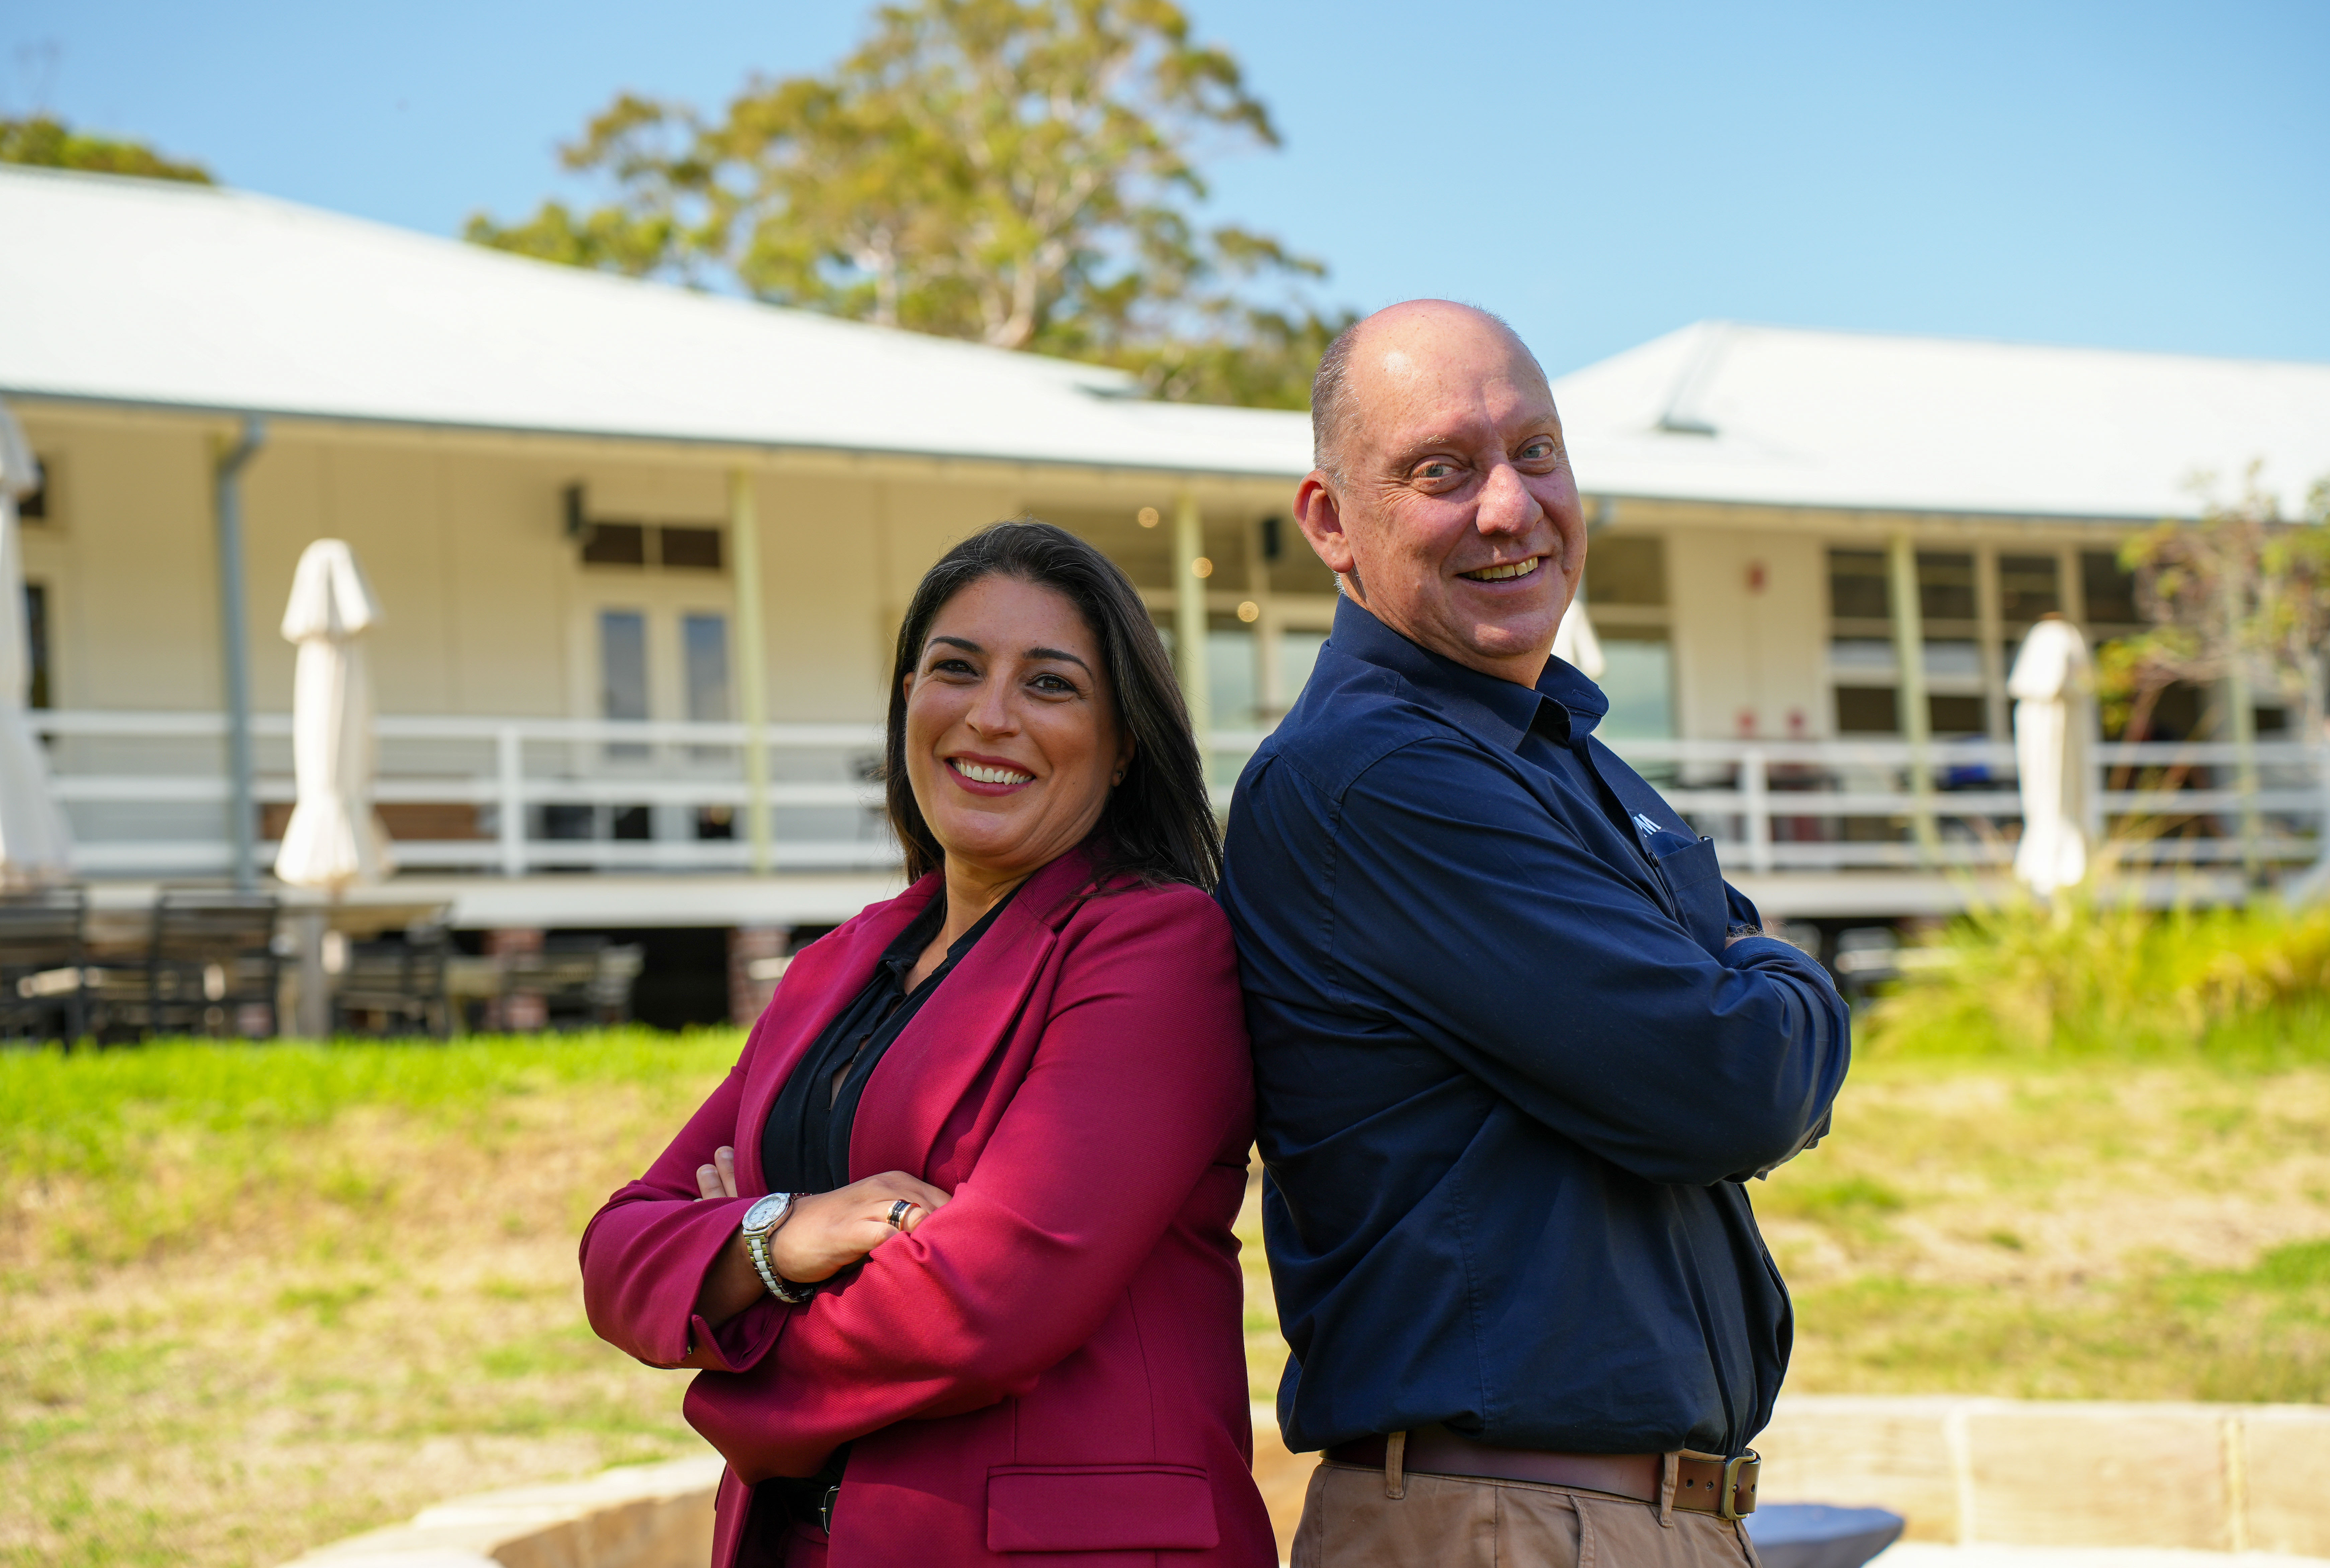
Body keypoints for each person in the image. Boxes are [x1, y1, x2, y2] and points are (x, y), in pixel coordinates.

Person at [1219, 302, 1850, 1568]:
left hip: (1599, 1520)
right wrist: (1779, 971)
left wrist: (1737, 968)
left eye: (1539, 451)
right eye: (1442, 471)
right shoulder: (1374, 776)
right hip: (1503, 1526)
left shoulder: (1550, 752)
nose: (1511, 508)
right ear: (1332, 522)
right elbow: (1733, 1078)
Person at [582, 521, 1272, 1568]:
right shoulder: (836, 968)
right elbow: (618, 1254)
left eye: (1051, 685)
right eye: (956, 669)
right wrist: (790, 1233)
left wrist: (729, 1337)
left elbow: (988, 1303)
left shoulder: (1156, 946)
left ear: (1125, 742)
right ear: (909, 697)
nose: (990, 718)